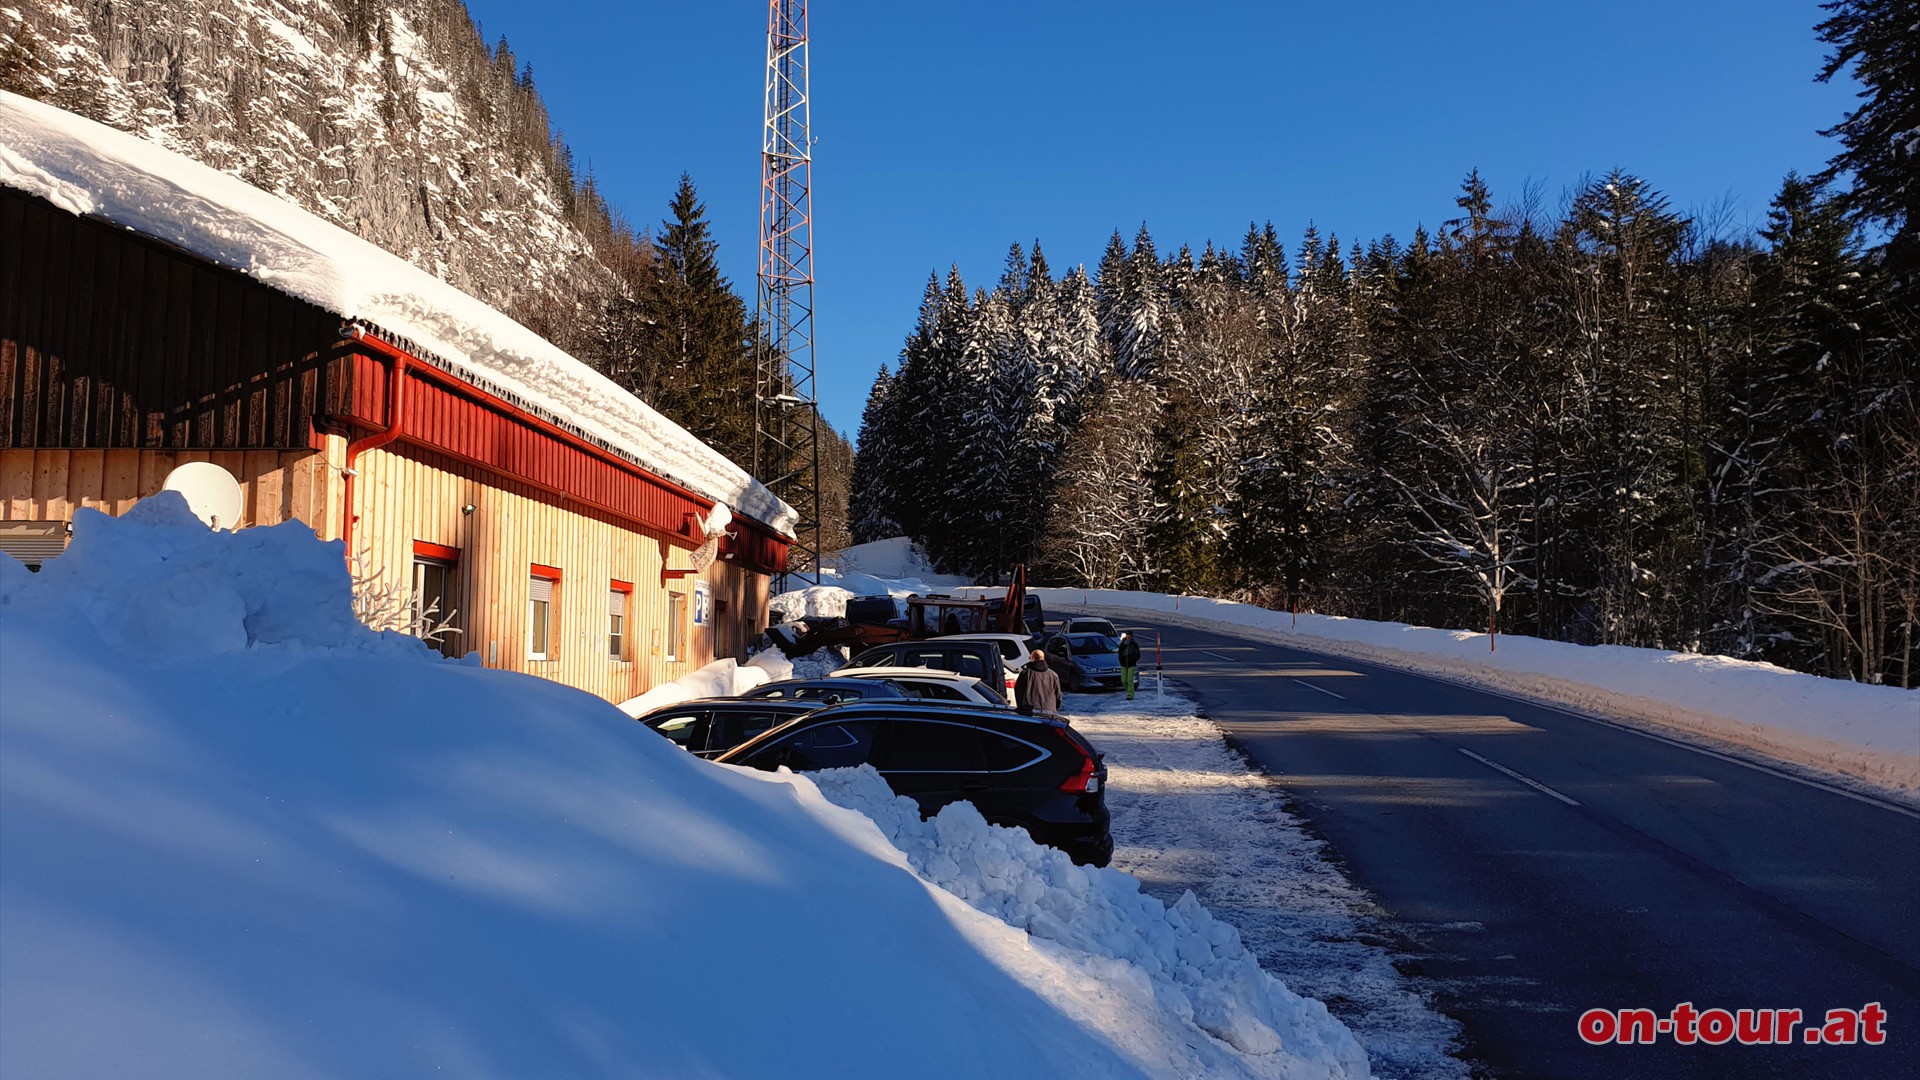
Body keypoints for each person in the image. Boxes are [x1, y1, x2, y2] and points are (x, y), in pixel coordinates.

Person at [1014, 648, 1063, 717]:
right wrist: (1054, 707)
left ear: (1033, 658)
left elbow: (1018, 691)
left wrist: (1021, 707)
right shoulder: (1053, 674)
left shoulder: (1026, 673)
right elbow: (1058, 695)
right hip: (1050, 711)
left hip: (1030, 711)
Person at [1117, 630, 1141, 700]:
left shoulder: (1134, 645)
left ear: (1132, 637)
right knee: (1123, 680)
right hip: (1124, 664)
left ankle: (1130, 695)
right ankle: (1129, 691)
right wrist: (1121, 661)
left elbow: (1138, 655)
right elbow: (1120, 654)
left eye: (1129, 636)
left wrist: (1133, 660)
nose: (1128, 638)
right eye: (1127, 636)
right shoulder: (1122, 644)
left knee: (1129, 680)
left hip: (1131, 665)